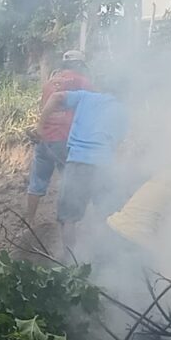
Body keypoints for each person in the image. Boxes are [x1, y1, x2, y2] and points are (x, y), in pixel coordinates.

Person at [41, 83, 129, 253]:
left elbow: (56, 97)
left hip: (78, 163)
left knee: (68, 218)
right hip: (104, 165)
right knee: (107, 215)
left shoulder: (86, 97)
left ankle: (69, 261)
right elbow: (117, 144)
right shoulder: (123, 111)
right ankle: (107, 257)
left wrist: (40, 126)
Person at [25, 50, 93, 225]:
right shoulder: (83, 82)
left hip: (44, 138)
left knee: (37, 181)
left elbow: (44, 108)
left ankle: (28, 221)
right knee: (70, 181)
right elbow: (92, 108)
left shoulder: (50, 83)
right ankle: (68, 224)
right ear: (79, 65)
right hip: (66, 139)